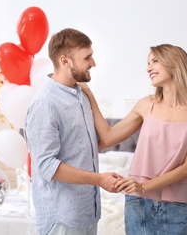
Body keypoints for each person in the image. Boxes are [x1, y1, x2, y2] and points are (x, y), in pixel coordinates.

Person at [80, 43, 187, 235]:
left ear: (175, 63)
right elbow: (108, 138)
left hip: (176, 203)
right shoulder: (146, 105)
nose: (148, 68)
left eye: (155, 61)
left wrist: (144, 186)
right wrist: (90, 96)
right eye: (148, 62)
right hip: (137, 201)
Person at [25, 28, 123, 235]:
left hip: (87, 212)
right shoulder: (45, 103)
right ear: (65, 60)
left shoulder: (80, 95)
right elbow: (46, 166)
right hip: (62, 218)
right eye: (87, 57)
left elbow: (89, 144)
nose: (93, 63)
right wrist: (99, 179)